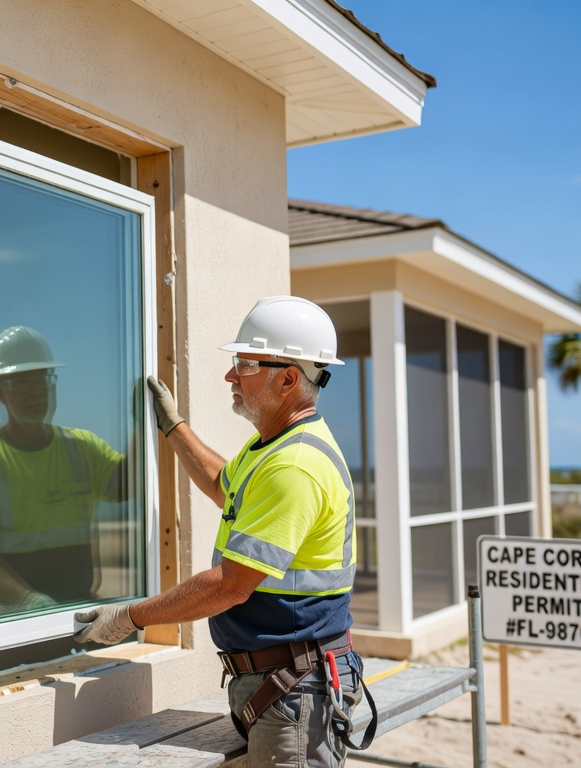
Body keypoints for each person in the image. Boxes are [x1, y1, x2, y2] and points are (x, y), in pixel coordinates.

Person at [73, 296, 369, 768]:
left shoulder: (295, 465)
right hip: (283, 681)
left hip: (295, 687)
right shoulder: (269, 447)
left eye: (245, 364)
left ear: (289, 378)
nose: (231, 375)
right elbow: (221, 484)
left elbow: (232, 585)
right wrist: (173, 427)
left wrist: (131, 616)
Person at [0, 326, 126, 609]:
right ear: (1, 394)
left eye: (42, 380)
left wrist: (147, 422)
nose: (35, 391)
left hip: (80, 606)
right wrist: (26, 599)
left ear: (52, 385)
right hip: (13, 615)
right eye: (21, 382)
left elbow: (128, 486)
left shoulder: (82, 447)